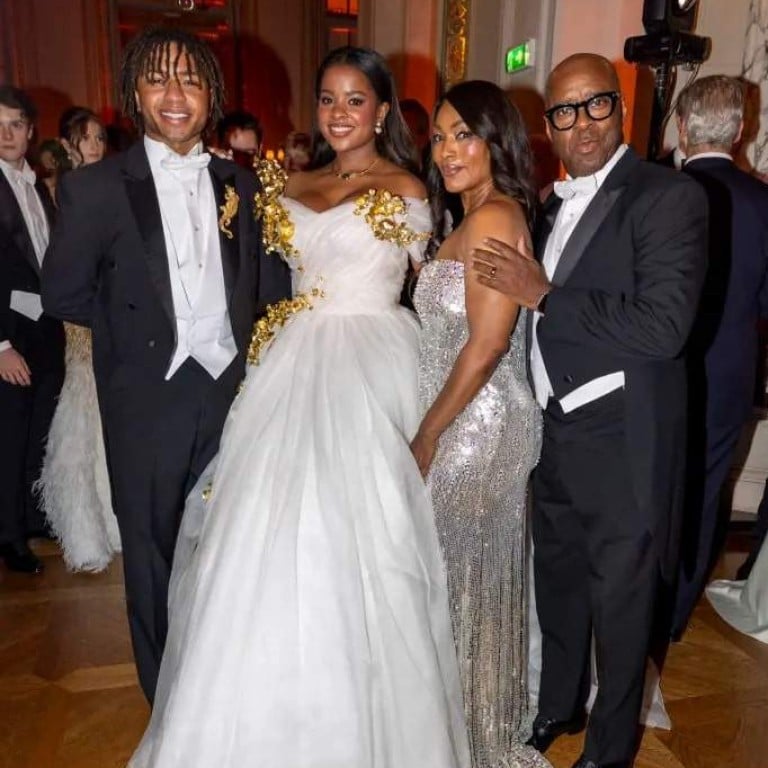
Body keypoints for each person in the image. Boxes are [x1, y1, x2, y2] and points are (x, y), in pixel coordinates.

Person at [127, 46, 470, 767]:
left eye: (355, 99)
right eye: (328, 99)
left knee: (363, 538)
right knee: (260, 530)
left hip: (374, 361)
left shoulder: (406, 182)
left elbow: (438, 290)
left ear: (381, 110)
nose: (339, 113)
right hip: (290, 362)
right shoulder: (286, 183)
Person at [41, 26, 291, 703]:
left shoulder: (242, 181)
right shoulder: (93, 188)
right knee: (150, 556)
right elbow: (62, 292)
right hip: (146, 399)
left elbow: (271, 289)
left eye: (190, 78)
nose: (175, 95)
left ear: (212, 93)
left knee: (225, 546)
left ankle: (222, 684)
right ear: (134, 95)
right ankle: (168, 698)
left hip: (231, 396)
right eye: (158, 79)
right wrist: (141, 335)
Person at [471, 53, 707, 768]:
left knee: (623, 611)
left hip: (623, 439)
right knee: (560, 587)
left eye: (596, 105)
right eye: (565, 111)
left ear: (621, 110)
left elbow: (664, 329)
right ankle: (558, 706)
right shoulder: (546, 205)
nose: (582, 124)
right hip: (554, 432)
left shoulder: (668, 197)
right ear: (549, 124)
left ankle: (608, 753)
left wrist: (546, 295)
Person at [412, 80, 548, 768]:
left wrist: (428, 433)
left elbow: (490, 343)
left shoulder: (495, 217)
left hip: (480, 426)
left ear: (497, 142)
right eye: (438, 136)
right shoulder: (472, 218)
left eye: (464, 133)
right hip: (468, 418)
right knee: (461, 584)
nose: (447, 149)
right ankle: (465, 727)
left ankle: (477, 737)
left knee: (462, 583)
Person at [671, 75, 768, 639]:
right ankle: (676, 616)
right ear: (738, 130)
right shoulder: (762, 202)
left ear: (683, 128)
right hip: (728, 368)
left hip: (658, 364)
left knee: (650, 485)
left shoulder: (655, 190)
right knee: (706, 494)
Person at [36, 105, 116, 573]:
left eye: (100, 138)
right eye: (87, 138)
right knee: (82, 408)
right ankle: (83, 526)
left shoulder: (112, 188)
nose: (95, 146)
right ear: (68, 145)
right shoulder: (56, 193)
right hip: (76, 315)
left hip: (107, 310)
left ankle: (111, 518)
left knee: (107, 415)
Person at [0, 86, 65, 574]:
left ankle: (29, 517)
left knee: (38, 432)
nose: (7, 134)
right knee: (9, 435)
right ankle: (8, 536)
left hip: (45, 326)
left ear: (31, 131)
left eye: (16, 124)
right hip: (8, 335)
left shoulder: (38, 186)